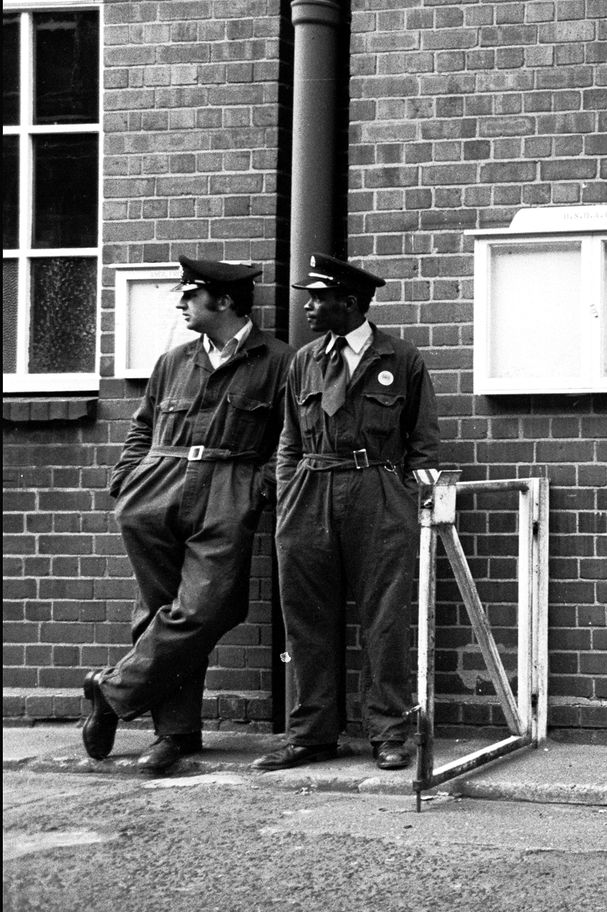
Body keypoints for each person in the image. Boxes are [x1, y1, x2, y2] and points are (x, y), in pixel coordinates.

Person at [82, 257, 292, 773]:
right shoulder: (173, 361)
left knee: (209, 608)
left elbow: (291, 441)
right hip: (157, 488)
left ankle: (111, 691)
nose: (181, 304)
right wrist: (127, 479)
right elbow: (142, 425)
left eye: (189, 296)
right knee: (159, 611)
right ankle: (174, 735)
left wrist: (255, 489)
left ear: (223, 302)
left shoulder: (282, 363)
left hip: (228, 488)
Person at [252, 254, 441, 772]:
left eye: (317, 298)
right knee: (306, 617)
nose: (308, 307)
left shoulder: (400, 358)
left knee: (384, 619)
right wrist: (290, 490)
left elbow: (423, 446)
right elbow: (289, 438)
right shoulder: (305, 360)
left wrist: (407, 498)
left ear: (350, 303)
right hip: (309, 491)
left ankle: (389, 734)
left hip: (376, 493)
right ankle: (312, 735)